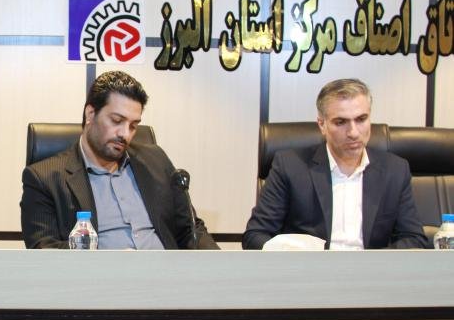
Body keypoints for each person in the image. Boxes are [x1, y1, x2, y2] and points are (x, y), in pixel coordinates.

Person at [21, 70, 218, 250]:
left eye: (133, 125)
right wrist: (113, 262)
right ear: (90, 114)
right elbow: (44, 250)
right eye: (116, 121)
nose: (125, 134)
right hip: (100, 277)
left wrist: (222, 265)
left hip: (166, 274)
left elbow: (190, 229)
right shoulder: (44, 178)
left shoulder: (155, 159)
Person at [243, 78, 429, 250]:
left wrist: (372, 266)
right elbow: (255, 236)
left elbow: (413, 239)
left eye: (361, 119)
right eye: (341, 122)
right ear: (322, 125)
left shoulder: (395, 170)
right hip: (312, 271)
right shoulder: (290, 166)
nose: (353, 132)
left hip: (373, 272)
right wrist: (296, 256)